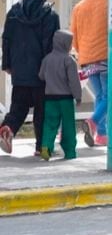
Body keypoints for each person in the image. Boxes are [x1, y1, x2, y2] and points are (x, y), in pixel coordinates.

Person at [1, 0, 61, 156]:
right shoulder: (50, 14)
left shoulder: (14, 11)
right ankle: (41, 148)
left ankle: (8, 128)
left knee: (18, 107)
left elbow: (6, 39)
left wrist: (7, 64)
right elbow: (51, 44)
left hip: (19, 69)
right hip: (41, 71)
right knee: (42, 111)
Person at [71, 0, 109, 147]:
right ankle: (93, 122)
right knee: (110, 96)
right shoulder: (109, 1)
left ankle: (101, 134)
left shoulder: (79, 7)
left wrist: (83, 52)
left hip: (87, 59)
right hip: (105, 57)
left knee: (100, 95)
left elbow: (74, 36)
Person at [38, 29, 82, 161]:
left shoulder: (47, 59)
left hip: (50, 98)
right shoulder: (69, 60)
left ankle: (46, 148)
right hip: (66, 99)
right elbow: (74, 81)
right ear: (65, 44)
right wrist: (78, 96)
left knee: (49, 124)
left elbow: (41, 76)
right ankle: (70, 152)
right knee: (68, 126)